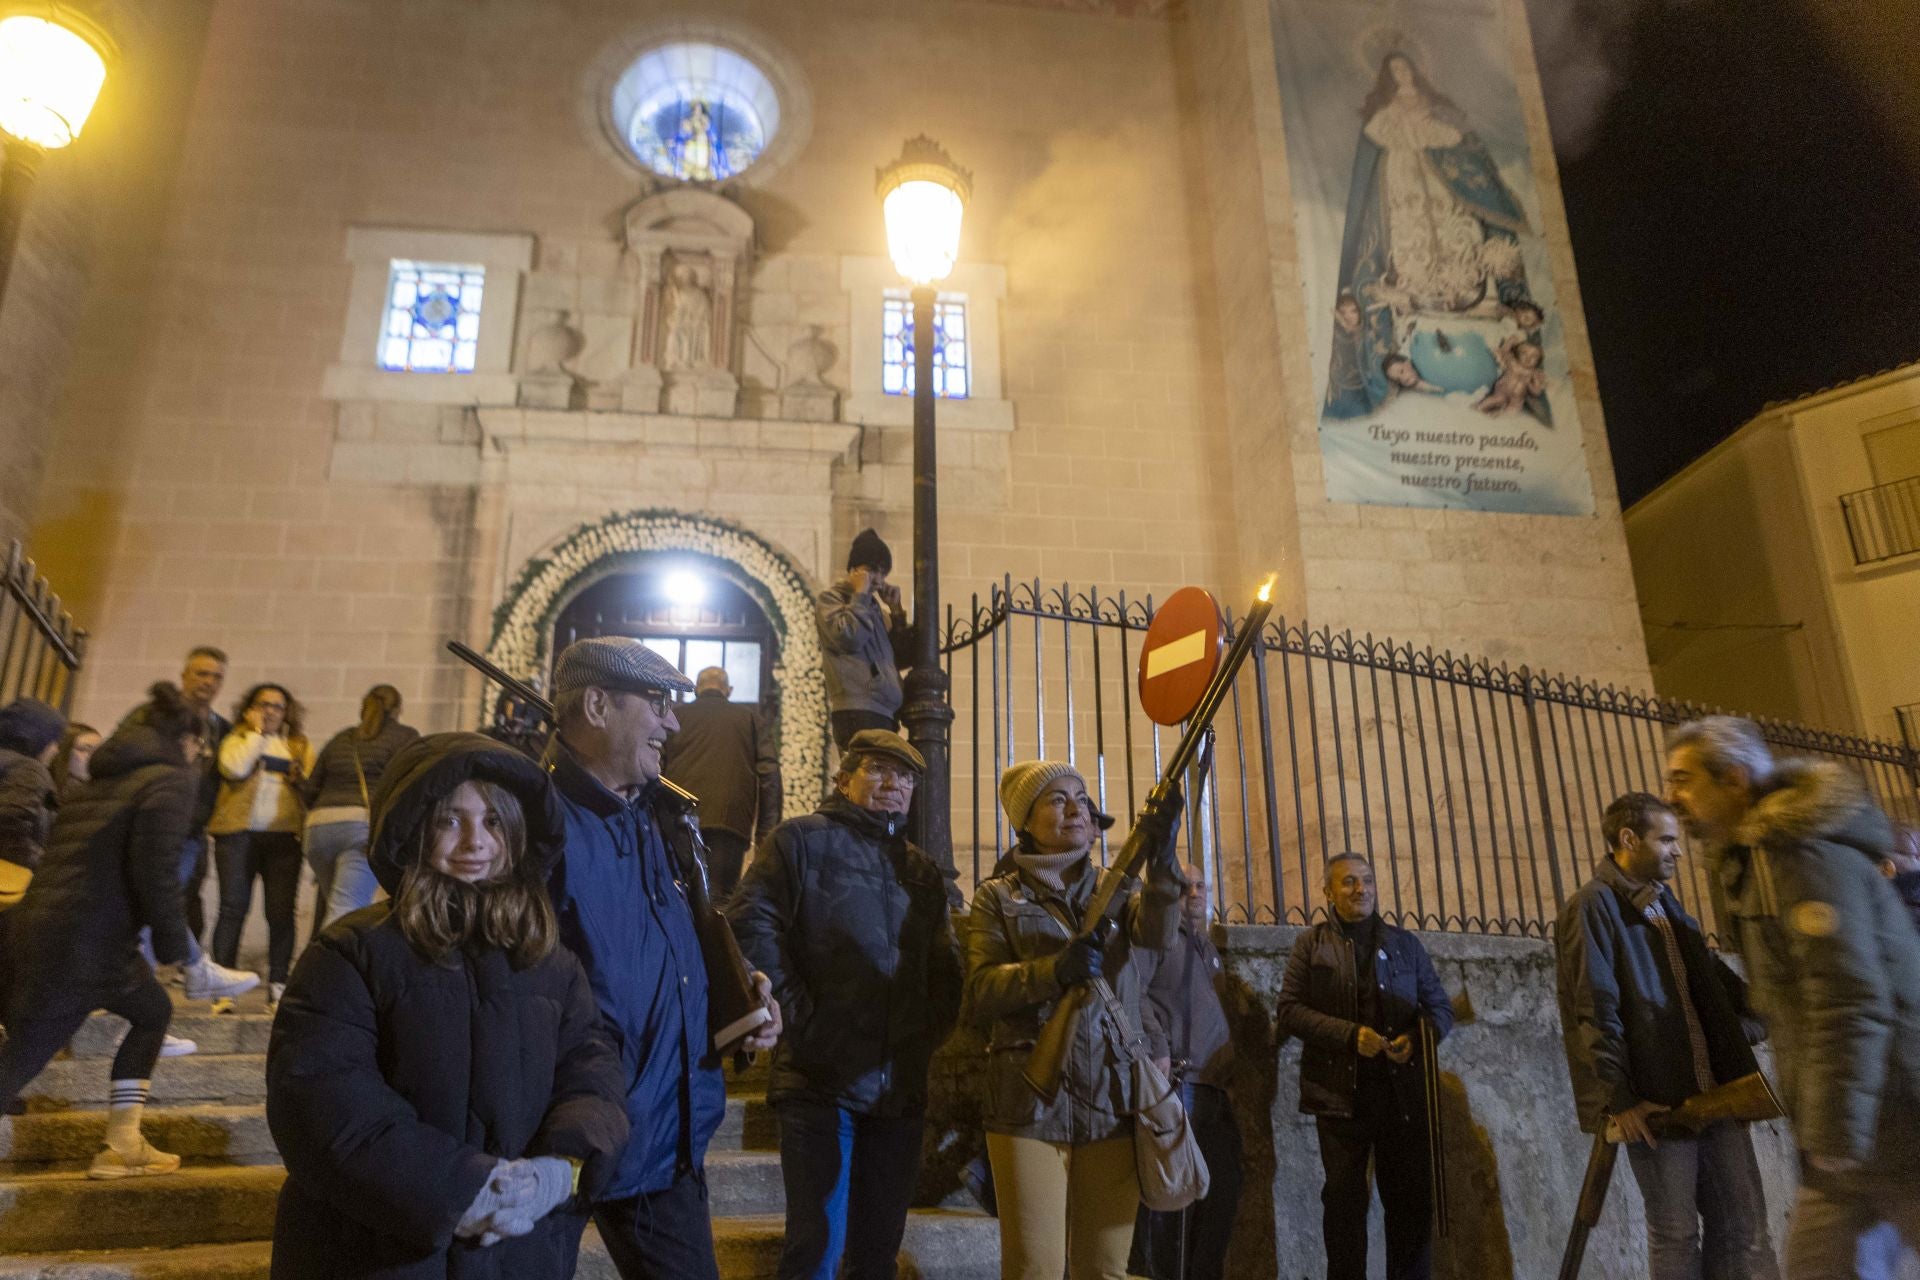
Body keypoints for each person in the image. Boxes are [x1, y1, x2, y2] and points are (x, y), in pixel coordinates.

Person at [266, 732, 630, 1279]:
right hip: (377, 1254)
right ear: (414, 829)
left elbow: (592, 1077)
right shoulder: (352, 951)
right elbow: (324, 1101)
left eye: (493, 821)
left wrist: (560, 1169)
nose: (474, 843)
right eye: (450, 820)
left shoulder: (551, 963)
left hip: (518, 1254)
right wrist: (463, 1189)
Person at [540, 635, 782, 1280]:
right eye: (656, 702)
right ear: (596, 705)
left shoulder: (661, 816)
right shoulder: (532, 823)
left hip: (666, 1137)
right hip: (558, 1140)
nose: (673, 721)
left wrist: (735, 995)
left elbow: (667, 947)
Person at [1664, 716, 1920, 1274]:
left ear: (1733, 778)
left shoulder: (1798, 856)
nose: (1671, 796)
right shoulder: (1756, 860)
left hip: (1898, 1110)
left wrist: (1832, 1131)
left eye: (1683, 779)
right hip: (1855, 1130)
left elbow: (1846, 998)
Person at [727, 729, 963, 1280]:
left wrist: (921, 1034)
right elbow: (750, 923)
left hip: (898, 1089)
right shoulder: (799, 842)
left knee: (877, 1256)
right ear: (844, 779)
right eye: (879, 769)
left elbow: (946, 967)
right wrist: (800, 1018)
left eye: (905, 776)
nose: (894, 784)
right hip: (818, 1081)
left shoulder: (921, 871)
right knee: (815, 1251)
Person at [965, 760, 1184, 1280]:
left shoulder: (1119, 887)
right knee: (1033, 1270)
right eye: (1057, 799)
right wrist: (1051, 972)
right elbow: (979, 992)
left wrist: (1164, 855)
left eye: (1082, 798)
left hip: (1111, 1098)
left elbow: (1158, 933)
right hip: (1027, 1103)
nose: (1076, 809)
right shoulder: (997, 896)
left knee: (1105, 1271)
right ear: (1026, 822)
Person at [1555, 792, 1779, 1280]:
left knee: (1744, 1226)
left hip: (1718, 1096)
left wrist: (1756, 1023)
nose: (1678, 850)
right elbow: (1594, 1008)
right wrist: (1620, 1098)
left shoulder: (1666, 904)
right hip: (1658, 1106)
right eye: (1667, 839)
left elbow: (1708, 988)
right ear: (1628, 839)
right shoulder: (1593, 907)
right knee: (1676, 1236)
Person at [0, 684, 207, 1175]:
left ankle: (123, 1142)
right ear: (183, 739)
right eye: (199, 742)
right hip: (83, 942)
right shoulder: (170, 780)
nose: (200, 752)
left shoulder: (100, 781)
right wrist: (181, 949)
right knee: (18, 1061)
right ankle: (121, 1146)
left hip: (59, 929)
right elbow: (155, 870)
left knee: (152, 1010)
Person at [1275, 852, 1454, 1280]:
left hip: (1401, 1102)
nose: (1362, 890)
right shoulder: (1311, 945)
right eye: (1350, 882)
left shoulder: (1404, 944)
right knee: (1343, 1206)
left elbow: (1440, 1008)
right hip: (1339, 1100)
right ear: (1328, 892)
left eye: (1368, 881)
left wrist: (1415, 1039)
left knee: (1410, 1207)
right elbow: (1290, 1011)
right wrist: (1350, 1036)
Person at [1129, 862, 1244, 1280]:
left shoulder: (1203, 944)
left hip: (1212, 1088)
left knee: (1221, 1194)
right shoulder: (1157, 936)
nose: (1194, 893)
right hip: (1180, 1085)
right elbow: (1133, 988)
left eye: (1200, 885)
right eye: (1184, 886)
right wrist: (1156, 1046)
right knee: (1174, 1203)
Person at [209, 682, 314, 1007]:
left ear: (287, 712)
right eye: (263, 704)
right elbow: (234, 767)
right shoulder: (236, 739)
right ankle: (223, 987)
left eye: (277, 706)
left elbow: (311, 785)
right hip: (236, 835)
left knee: (281, 913)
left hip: (284, 838)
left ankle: (279, 983)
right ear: (250, 708)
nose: (270, 711)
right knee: (232, 908)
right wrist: (255, 734)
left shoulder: (298, 745)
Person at [300, 684, 417, 935]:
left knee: (335, 902)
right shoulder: (405, 737)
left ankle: (320, 964)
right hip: (360, 829)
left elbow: (310, 791)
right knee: (345, 909)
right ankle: (325, 972)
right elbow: (409, 786)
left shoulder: (342, 738)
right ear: (397, 710)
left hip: (318, 829)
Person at [661, 666, 782, 903]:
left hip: (679, 819)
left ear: (696, 689)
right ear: (729, 690)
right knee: (718, 902)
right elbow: (770, 776)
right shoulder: (749, 719)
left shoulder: (676, 718)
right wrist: (766, 834)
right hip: (730, 821)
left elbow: (657, 769)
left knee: (677, 896)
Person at [816, 529, 911, 750]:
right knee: (864, 781)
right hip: (858, 711)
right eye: (872, 570)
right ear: (854, 570)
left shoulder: (874, 609)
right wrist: (860, 595)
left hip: (882, 712)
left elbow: (903, 658)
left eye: (883, 572)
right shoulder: (832, 599)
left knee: (879, 781)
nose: (878, 580)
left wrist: (896, 612)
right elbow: (848, 637)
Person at [0, 696, 65, 873]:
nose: (56, 750)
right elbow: (9, 828)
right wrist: (48, 867)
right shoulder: (28, 768)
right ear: (39, 736)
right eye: (55, 740)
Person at [50, 721, 102, 800]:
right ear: (62, 752)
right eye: (85, 749)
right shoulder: (43, 791)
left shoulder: (102, 794)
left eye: (100, 750)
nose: (95, 756)